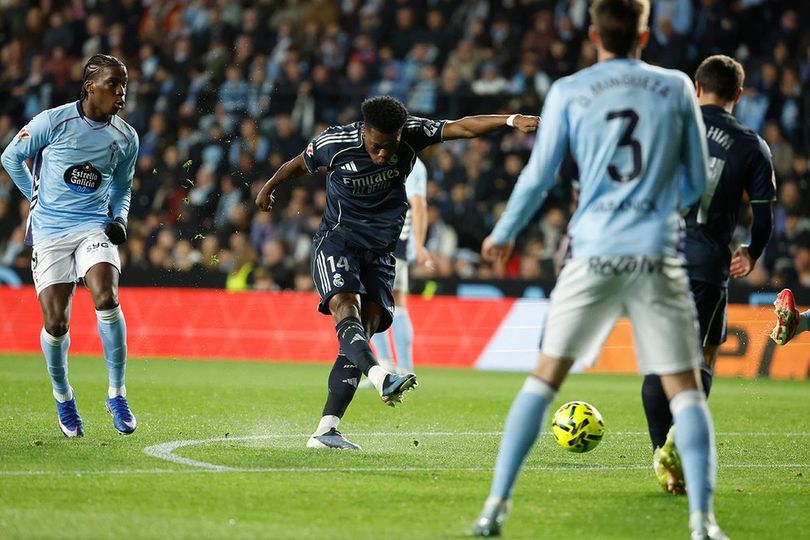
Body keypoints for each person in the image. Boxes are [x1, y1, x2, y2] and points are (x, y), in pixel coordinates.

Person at [471, 1, 727, 538]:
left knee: (543, 382)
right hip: (656, 253)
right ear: (644, 32)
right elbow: (697, 181)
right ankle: (702, 521)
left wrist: (503, 233)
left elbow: (539, 177)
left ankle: (494, 508)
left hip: (592, 252)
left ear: (591, 34)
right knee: (685, 389)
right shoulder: (678, 85)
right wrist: (665, 208)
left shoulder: (567, 90)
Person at [255, 96, 538, 450]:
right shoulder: (335, 143)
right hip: (338, 242)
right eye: (376, 147)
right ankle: (381, 376)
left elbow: (463, 126)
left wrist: (510, 120)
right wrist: (269, 187)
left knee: (363, 331)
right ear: (364, 131)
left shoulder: (411, 134)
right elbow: (299, 164)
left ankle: (326, 430)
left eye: (390, 148)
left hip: (380, 253)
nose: (383, 155)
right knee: (346, 309)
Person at [641, 54, 775, 495]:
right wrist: (752, 252)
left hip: (657, 255)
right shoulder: (751, 144)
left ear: (697, 87)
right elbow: (763, 217)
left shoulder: (668, 127)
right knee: (703, 357)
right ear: (738, 94)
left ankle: (665, 451)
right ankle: (674, 452)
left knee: (662, 360)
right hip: (706, 263)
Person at [0, 54, 139, 437]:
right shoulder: (53, 121)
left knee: (106, 296)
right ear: (90, 85)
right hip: (49, 233)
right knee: (56, 322)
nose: (121, 92)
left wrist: (120, 218)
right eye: (114, 83)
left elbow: (123, 186)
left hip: (94, 226)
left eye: (124, 84)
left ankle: (117, 393)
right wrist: (35, 195)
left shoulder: (126, 137)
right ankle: (64, 397)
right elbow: (11, 156)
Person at [368, 156, 432, 377]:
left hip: (392, 241)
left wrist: (420, 244)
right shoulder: (395, 159)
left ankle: (398, 367)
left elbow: (418, 204)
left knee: (380, 301)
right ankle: (396, 367)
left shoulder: (410, 162)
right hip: (388, 240)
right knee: (385, 302)